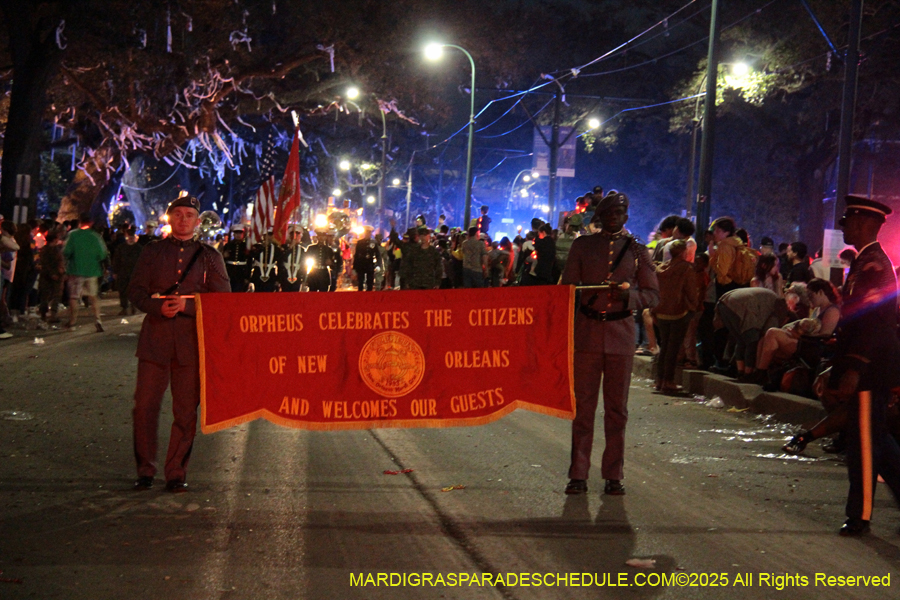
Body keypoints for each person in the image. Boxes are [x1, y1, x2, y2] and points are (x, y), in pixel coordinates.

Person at [128, 195, 230, 492]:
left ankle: (176, 472)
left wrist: (188, 307)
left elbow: (223, 301)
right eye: (178, 214)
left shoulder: (210, 256)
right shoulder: (152, 252)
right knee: (144, 408)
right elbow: (135, 290)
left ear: (197, 222)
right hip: (155, 340)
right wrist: (156, 306)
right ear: (169, 218)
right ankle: (145, 470)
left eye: (189, 215)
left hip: (191, 343)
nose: (183, 220)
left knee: (185, 412)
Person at [562, 192, 659, 496]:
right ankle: (578, 473)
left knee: (617, 410)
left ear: (626, 217)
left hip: (621, 333)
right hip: (588, 332)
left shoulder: (637, 249)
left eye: (619, 213)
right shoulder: (582, 246)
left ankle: (613, 474)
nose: (614, 218)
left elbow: (653, 295)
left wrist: (630, 297)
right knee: (583, 409)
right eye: (609, 214)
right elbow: (566, 288)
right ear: (600, 217)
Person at [823, 196, 900, 536]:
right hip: (867, 364)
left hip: (871, 367)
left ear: (866, 224)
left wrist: (855, 368)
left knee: (865, 445)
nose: (845, 228)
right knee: (877, 440)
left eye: (850, 222)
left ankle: (860, 516)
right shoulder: (864, 261)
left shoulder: (874, 265)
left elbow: (873, 324)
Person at [652, 240, 698, 393]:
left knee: (665, 346)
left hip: (661, 311)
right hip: (679, 312)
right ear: (684, 252)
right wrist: (693, 307)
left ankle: (659, 380)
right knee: (674, 348)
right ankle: (669, 381)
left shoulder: (661, 268)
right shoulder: (686, 268)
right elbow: (691, 290)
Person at [63, 212, 108, 332]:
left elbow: (66, 252)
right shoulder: (96, 236)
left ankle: (72, 322)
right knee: (94, 296)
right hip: (92, 271)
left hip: (76, 270)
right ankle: (98, 320)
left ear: (80, 222)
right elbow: (102, 254)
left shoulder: (73, 235)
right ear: (91, 223)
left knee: (74, 297)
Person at [112, 227, 143, 315]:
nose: (130, 238)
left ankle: (134, 306)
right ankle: (124, 307)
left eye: (132, 237)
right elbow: (116, 260)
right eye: (129, 237)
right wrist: (115, 271)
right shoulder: (121, 248)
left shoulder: (139, 248)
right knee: (122, 290)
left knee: (134, 290)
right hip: (123, 272)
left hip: (135, 272)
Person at [221, 224, 251, 292]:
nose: (238, 235)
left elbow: (249, 262)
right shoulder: (228, 245)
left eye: (240, 233)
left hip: (241, 273)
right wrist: (224, 256)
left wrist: (247, 277)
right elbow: (222, 261)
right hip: (230, 272)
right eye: (236, 233)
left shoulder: (246, 246)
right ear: (233, 234)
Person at [352, 226, 380, 291]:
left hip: (370, 264)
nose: (368, 234)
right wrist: (354, 267)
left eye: (369, 233)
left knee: (370, 282)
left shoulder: (374, 242)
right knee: (360, 282)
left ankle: (369, 294)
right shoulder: (360, 243)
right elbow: (356, 255)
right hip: (361, 264)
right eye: (367, 232)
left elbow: (377, 254)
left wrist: (378, 265)